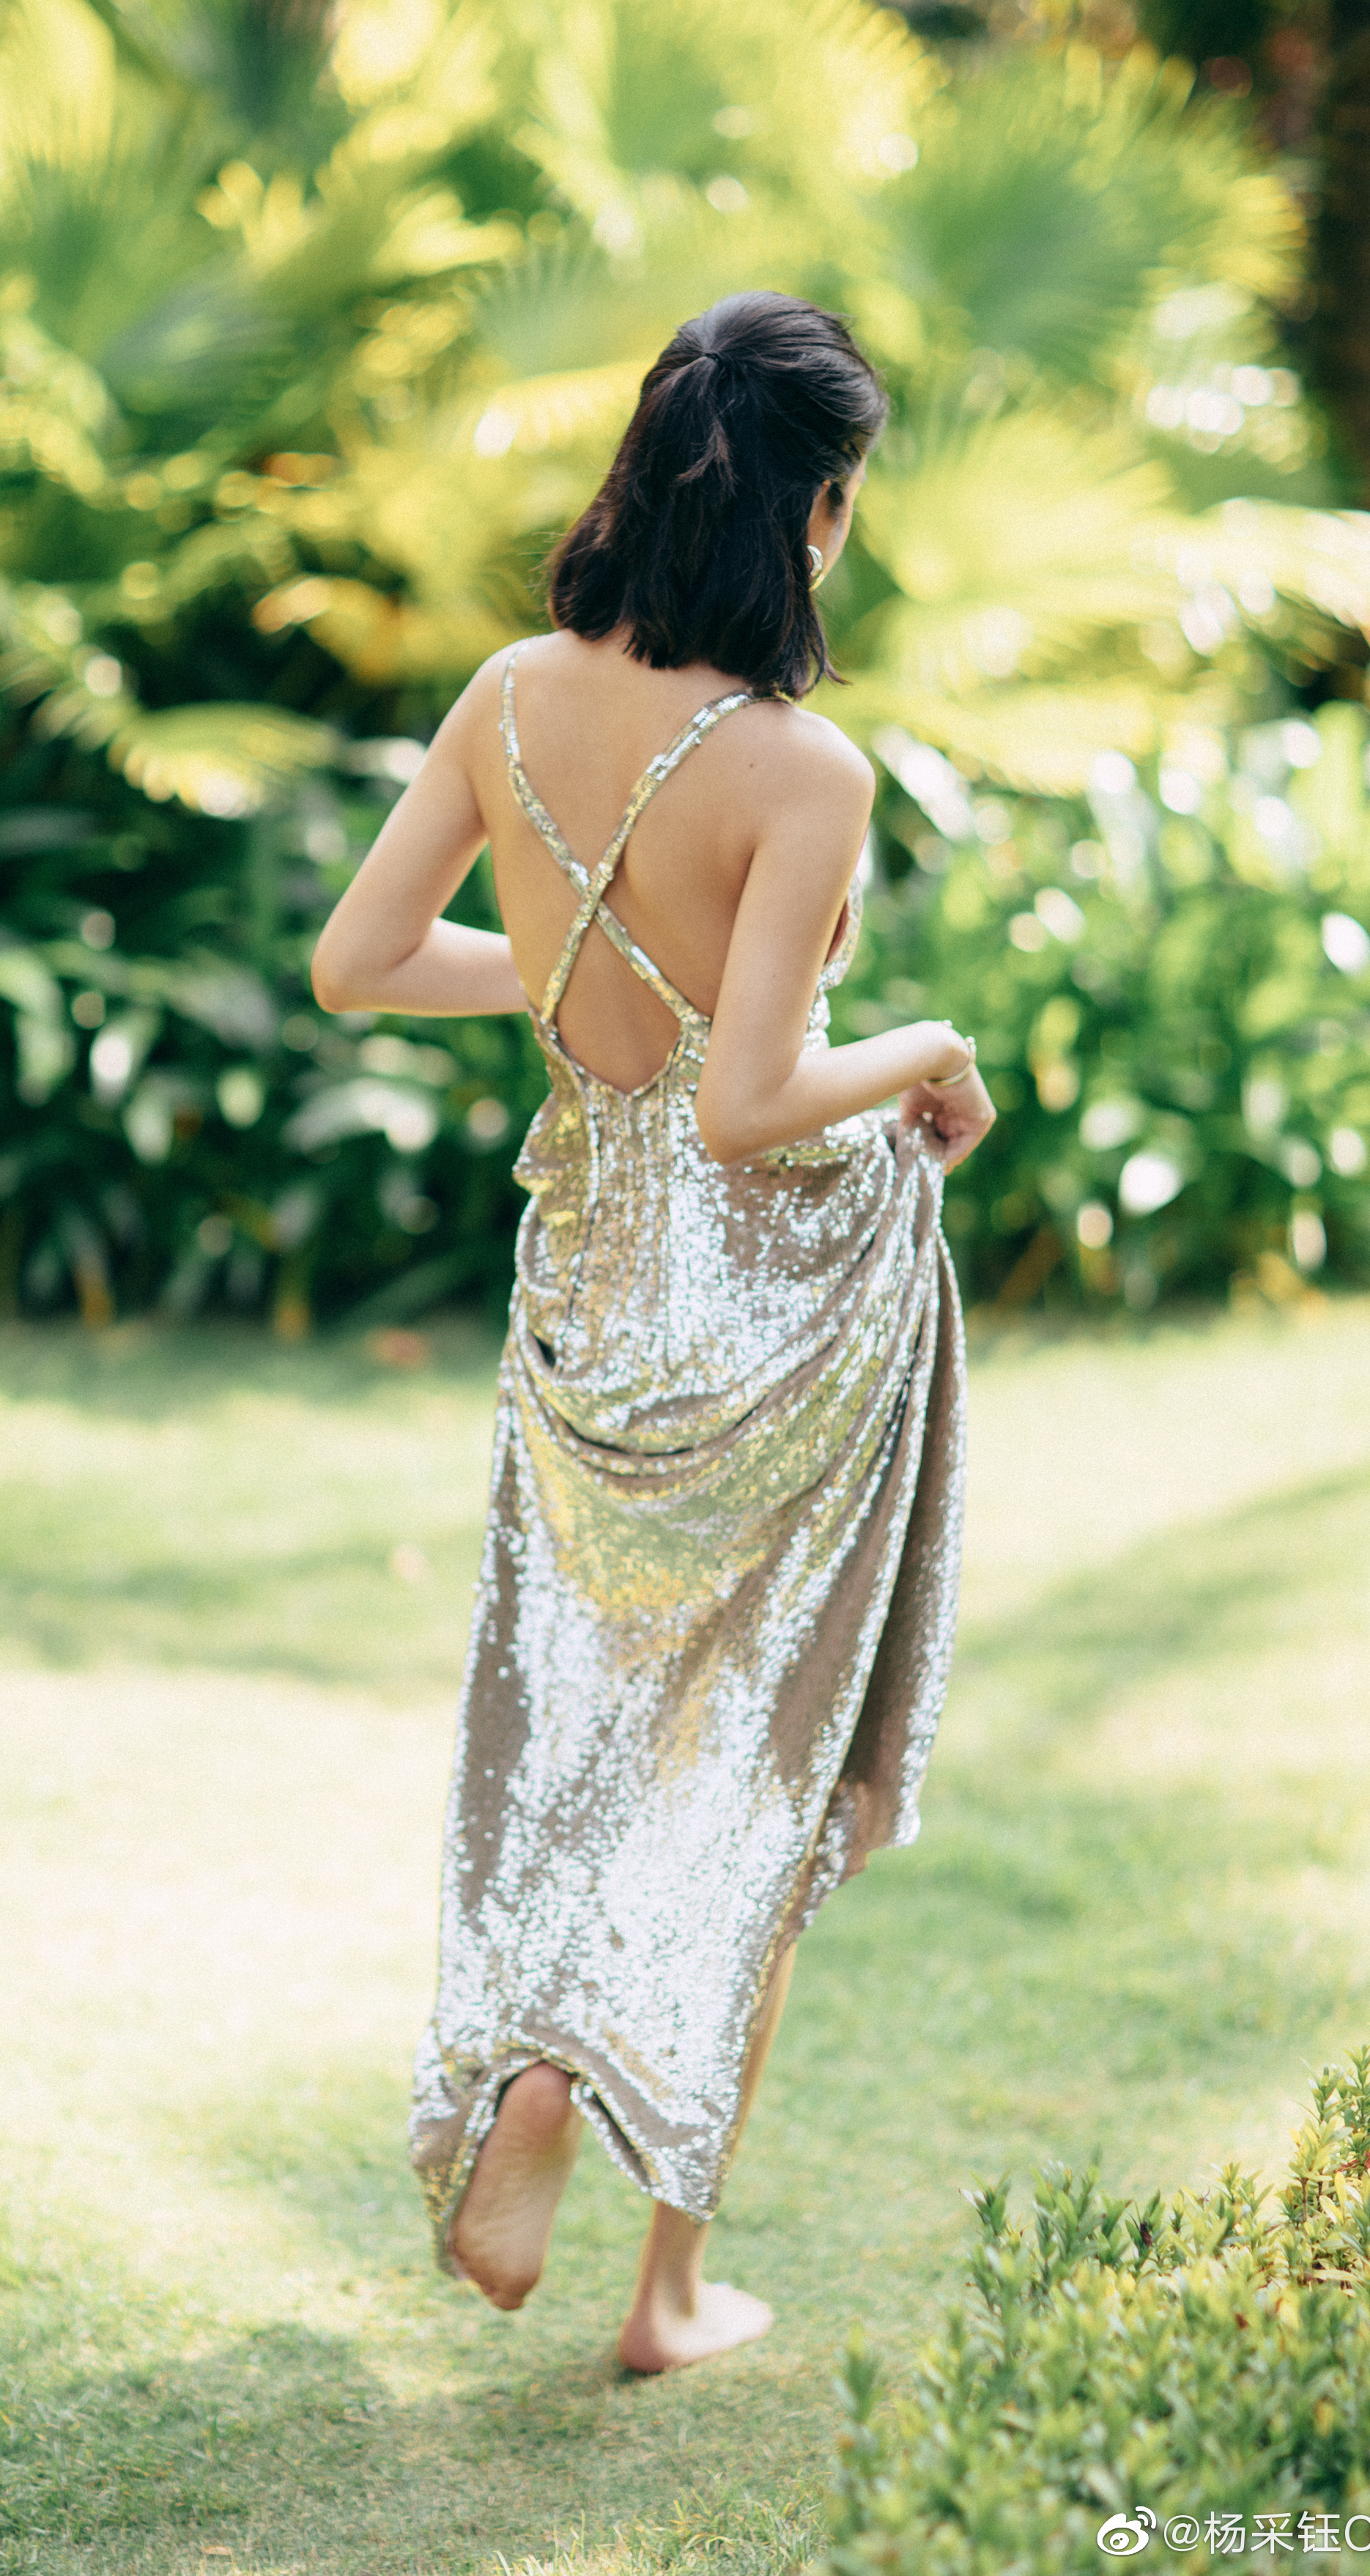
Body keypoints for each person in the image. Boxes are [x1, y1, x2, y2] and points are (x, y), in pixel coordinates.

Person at [311, 289, 996, 2374]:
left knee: (586, 1736)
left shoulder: (512, 697)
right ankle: (664, 2284)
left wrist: (550, 967)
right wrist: (931, 1046)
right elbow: (750, 1100)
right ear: (814, 510)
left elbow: (361, 961)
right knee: (761, 1784)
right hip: (787, 1316)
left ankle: (538, 2085)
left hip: (589, 1305)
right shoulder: (803, 767)